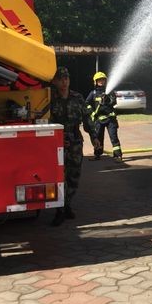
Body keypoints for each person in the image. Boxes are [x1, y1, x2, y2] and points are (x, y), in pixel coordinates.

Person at [49, 66, 100, 226]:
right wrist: (57, 139)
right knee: (59, 177)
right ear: (55, 81)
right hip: (58, 143)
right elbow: (45, 122)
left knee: (74, 176)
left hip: (75, 142)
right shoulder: (49, 98)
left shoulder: (77, 98)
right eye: (60, 79)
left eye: (66, 78)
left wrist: (94, 137)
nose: (64, 82)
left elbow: (87, 119)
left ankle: (67, 204)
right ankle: (60, 211)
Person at [85, 71, 123, 161]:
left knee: (113, 137)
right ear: (95, 82)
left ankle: (118, 156)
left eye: (103, 80)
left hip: (110, 119)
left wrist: (108, 100)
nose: (101, 82)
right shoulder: (93, 93)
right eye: (99, 80)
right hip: (99, 119)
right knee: (98, 137)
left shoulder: (109, 91)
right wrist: (92, 112)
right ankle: (97, 154)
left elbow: (114, 102)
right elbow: (86, 103)